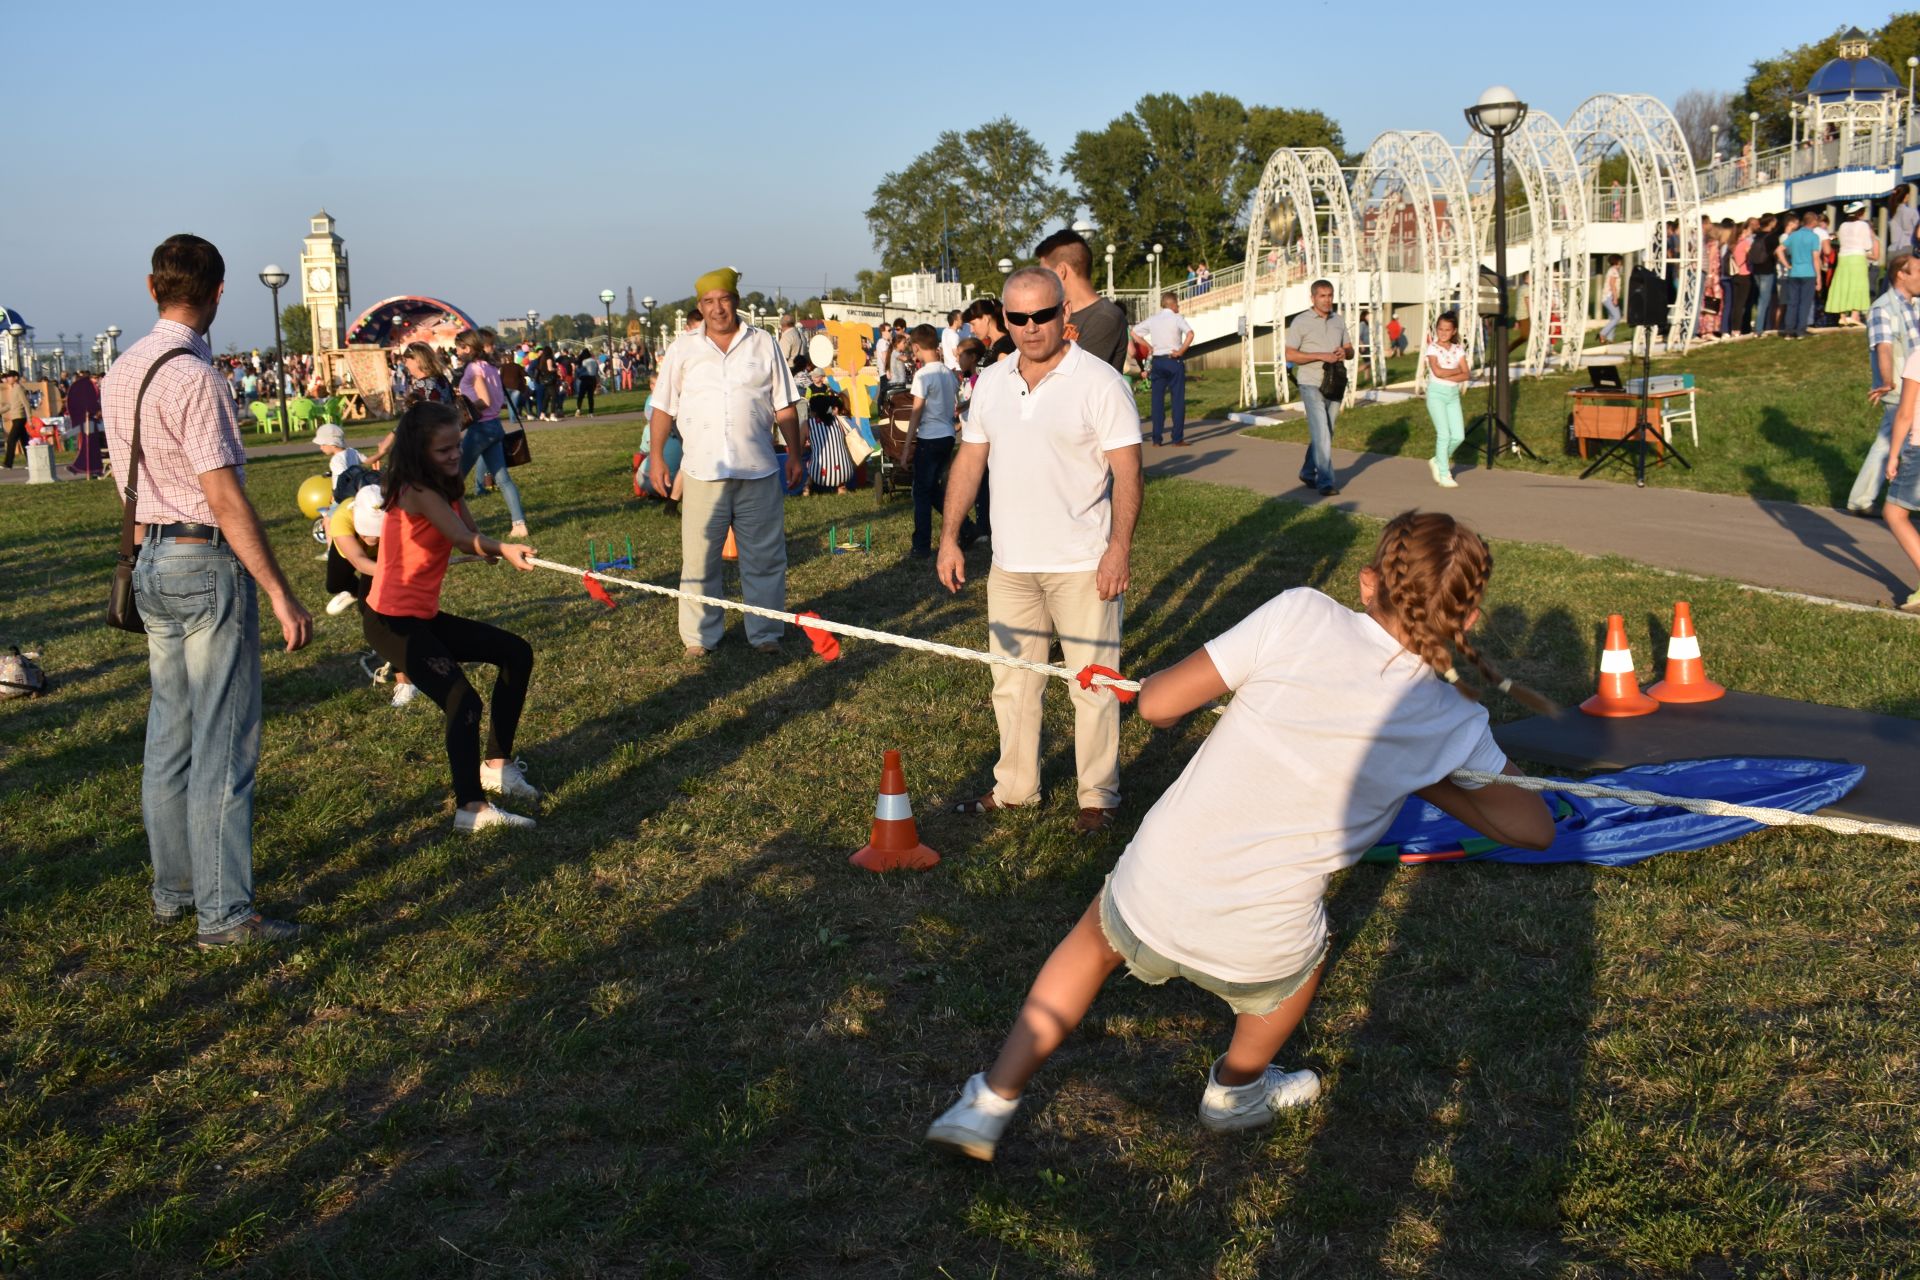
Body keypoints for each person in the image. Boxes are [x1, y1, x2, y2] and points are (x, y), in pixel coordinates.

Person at [924, 511, 1555, 1161]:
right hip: (1264, 941)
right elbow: (1533, 828)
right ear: (1469, 619)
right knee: (1304, 966)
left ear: (1368, 584)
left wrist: (1420, 770)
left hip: (1154, 887)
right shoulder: (1456, 721)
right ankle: (1236, 1089)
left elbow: (1161, 704)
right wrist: (1428, 775)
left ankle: (990, 1100)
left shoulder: (1302, 613)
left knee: (1090, 945)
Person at [104, 233, 313, 948]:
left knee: (170, 737)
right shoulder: (197, 378)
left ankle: (176, 892)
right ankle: (223, 915)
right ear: (219, 293)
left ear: (152, 286)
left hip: (150, 560)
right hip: (202, 560)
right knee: (224, 744)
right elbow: (223, 496)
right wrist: (281, 591)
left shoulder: (122, 370)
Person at [937, 267, 1142, 835]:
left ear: (1064, 315)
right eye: (1019, 317)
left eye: (1043, 315)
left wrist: (1118, 550)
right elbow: (971, 459)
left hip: (1083, 565)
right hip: (1011, 566)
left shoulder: (1100, 383)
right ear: (1005, 319)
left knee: (1093, 685)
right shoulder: (993, 383)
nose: (1031, 327)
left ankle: (1097, 799)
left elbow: (1128, 473)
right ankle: (1016, 788)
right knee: (1013, 682)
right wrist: (951, 537)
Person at [365, 401, 541, 828]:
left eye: (456, 446)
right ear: (419, 450)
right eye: (443, 450)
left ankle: (497, 765)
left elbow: (469, 532)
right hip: (391, 622)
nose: (454, 456)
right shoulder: (416, 491)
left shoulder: (445, 484)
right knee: (462, 699)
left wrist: (489, 547)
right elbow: (463, 538)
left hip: (422, 616)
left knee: (515, 653)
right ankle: (470, 808)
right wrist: (498, 548)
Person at [648, 267, 804, 656]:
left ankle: (765, 632)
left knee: (765, 557)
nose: (718, 309)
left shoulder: (763, 343)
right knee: (700, 562)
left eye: (724, 299)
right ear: (700, 307)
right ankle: (700, 637)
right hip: (702, 473)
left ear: (735, 301)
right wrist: (656, 458)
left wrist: (795, 453)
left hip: (759, 470)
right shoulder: (683, 349)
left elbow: (784, 404)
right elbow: (663, 408)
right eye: (709, 302)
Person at [1853, 249, 1920, 516]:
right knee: (1901, 442)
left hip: (1914, 383)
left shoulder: (1913, 305)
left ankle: (1862, 498)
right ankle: (1893, 502)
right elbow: (1883, 347)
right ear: (1901, 275)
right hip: (1901, 387)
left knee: (1887, 441)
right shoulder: (1883, 308)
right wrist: (1887, 380)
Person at [453, 329, 529, 537]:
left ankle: (450, 526)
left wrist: (460, 413)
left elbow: (484, 400)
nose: (457, 351)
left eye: (459, 348)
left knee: (454, 479)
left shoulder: (473, 369)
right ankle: (519, 524)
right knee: (503, 479)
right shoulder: (490, 367)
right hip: (495, 426)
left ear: (467, 348)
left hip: (480, 429)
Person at [1285, 280, 1354, 496]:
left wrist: (1345, 353)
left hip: (1335, 383)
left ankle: (1307, 471)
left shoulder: (1338, 321)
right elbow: (1290, 354)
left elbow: (1350, 349)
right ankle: (1325, 481)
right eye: (1322, 296)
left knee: (1326, 432)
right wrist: (1319, 355)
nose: (1327, 300)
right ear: (1313, 298)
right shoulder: (1301, 321)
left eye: (1330, 295)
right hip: (1310, 382)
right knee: (1322, 431)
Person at [1037, 227, 1130, 372]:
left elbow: (1075, 374)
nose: (1041, 281)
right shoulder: (1059, 314)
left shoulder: (1105, 317)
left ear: (1061, 271)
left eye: (1044, 272)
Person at [902, 324, 958, 558]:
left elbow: (916, 411)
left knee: (921, 493)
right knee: (935, 490)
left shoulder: (923, 375)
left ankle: (921, 545)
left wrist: (906, 446)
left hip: (929, 437)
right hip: (947, 435)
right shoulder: (947, 372)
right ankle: (965, 529)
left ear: (916, 347)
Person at [1132, 292, 1194, 446]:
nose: (1178, 307)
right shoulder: (1177, 318)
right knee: (1177, 400)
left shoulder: (1153, 320)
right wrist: (1180, 351)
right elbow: (1190, 334)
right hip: (1174, 361)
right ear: (1172, 304)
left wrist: (1148, 346)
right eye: (1177, 304)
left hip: (1158, 362)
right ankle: (1177, 438)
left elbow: (1134, 333)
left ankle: (1156, 439)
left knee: (1157, 401)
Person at [1423, 311, 1470, 488]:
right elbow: (1437, 372)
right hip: (1436, 394)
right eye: (1440, 329)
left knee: (1458, 436)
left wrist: (1451, 374)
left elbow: (1466, 373)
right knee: (1444, 434)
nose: (1443, 332)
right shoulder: (1433, 348)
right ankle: (1444, 474)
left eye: (1447, 329)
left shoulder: (1458, 349)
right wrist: (1456, 371)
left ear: (1453, 331)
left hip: (1453, 395)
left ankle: (1437, 459)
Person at [1830, 202, 1879, 326]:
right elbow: (1867, 246)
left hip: (1843, 258)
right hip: (1857, 257)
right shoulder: (1863, 225)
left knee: (1842, 285)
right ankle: (1854, 316)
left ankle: (1842, 316)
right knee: (1858, 286)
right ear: (1860, 213)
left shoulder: (1842, 226)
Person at [1778, 212, 1821, 340]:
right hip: (1808, 273)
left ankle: (1788, 331)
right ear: (1813, 222)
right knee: (1804, 303)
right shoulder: (1814, 237)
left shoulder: (1794, 235)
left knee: (1792, 302)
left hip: (1794, 272)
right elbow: (1815, 258)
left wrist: (1786, 265)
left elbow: (1779, 250)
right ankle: (1800, 330)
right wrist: (1818, 277)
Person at [65, 368, 105, 477]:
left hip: (94, 420)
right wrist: (95, 410)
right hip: (87, 420)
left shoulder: (94, 387)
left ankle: (94, 468)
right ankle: (80, 467)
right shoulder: (87, 388)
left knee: (93, 445)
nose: (96, 380)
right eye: (94, 378)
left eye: (97, 378)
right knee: (87, 445)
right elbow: (88, 403)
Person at [1749, 214, 1780, 336]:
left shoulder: (1756, 236)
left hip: (1756, 269)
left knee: (1761, 300)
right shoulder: (1771, 237)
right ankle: (1759, 328)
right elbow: (1776, 254)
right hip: (1767, 270)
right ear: (1771, 222)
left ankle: (1761, 325)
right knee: (1764, 300)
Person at [1, 369, 30, 468]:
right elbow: (10, 405)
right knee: (24, 441)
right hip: (16, 418)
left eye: (9, 376)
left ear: (16, 378)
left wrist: (29, 419)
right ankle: (32, 462)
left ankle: (8, 463)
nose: (7, 378)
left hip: (20, 418)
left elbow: (26, 404)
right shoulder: (13, 389)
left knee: (11, 440)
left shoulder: (19, 388)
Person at [1599, 256, 1623, 343]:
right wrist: (1615, 298)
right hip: (1610, 296)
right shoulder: (1614, 271)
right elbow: (1612, 285)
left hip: (1608, 297)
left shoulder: (1612, 270)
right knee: (1617, 317)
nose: (1621, 263)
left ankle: (1610, 338)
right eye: (1620, 261)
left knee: (1612, 317)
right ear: (1616, 261)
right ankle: (1603, 333)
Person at [574, 347, 600, 415]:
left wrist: (577, 374)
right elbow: (597, 371)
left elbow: (579, 371)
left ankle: (579, 409)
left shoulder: (583, 362)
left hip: (585, 379)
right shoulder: (594, 361)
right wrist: (598, 381)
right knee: (590, 396)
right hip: (593, 379)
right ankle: (591, 412)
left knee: (581, 395)